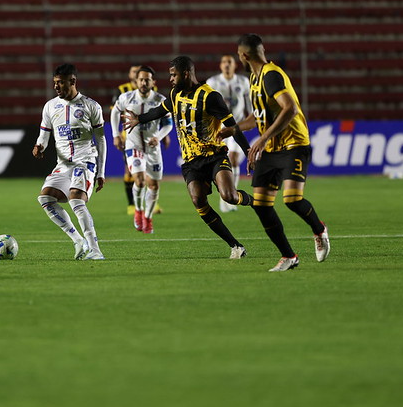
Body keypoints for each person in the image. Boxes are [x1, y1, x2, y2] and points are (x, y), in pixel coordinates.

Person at [123, 56, 254, 259]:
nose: (171, 79)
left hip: (214, 156)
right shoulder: (175, 94)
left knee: (229, 196)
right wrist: (139, 119)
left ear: (186, 73)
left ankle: (255, 201)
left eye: (173, 75)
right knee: (198, 201)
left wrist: (248, 152)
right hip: (191, 161)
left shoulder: (210, 96)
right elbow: (160, 110)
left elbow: (233, 126)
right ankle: (235, 246)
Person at [221, 33, 330, 272]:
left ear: (243, 55)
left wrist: (262, 138)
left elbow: (289, 108)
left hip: (293, 144)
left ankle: (319, 230)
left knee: (291, 200)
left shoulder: (271, 75)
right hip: (271, 148)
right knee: (260, 204)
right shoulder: (254, 77)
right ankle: (288, 256)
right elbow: (257, 116)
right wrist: (234, 129)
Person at [33, 63, 107, 260]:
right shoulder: (50, 106)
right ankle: (78, 240)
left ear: (73, 81)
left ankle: (95, 250)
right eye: (55, 83)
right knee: (45, 198)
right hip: (63, 164)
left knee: (76, 199)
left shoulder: (91, 106)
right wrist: (39, 146)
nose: (56, 87)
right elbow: (44, 134)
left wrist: (101, 172)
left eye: (60, 83)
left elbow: (100, 139)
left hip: (85, 162)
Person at [110, 66, 173, 234]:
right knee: (139, 180)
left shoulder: (161, 100)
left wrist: (158, 137)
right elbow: (115, 113)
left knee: (154, 185)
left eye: (147, 79)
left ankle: (148, 216)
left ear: (153, 82)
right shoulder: (126, 97)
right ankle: (138, 211)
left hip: (153, 148)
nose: (144, 82)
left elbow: (168, 124)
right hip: (134, 145)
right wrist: (116, 135)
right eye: (141, 79)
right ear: (136, 81)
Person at [207, 55, 252, 213]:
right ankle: (225, 195)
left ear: (234, 65)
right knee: (220, 162)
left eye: (230, 62)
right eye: (224, 62)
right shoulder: (212, 82)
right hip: (218, 128)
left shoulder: (243, 82)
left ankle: (231, 195)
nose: (227, 64)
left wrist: (250, 121)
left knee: (233, 158)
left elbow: (249, 105)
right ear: (220, 65)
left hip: (236, 127)